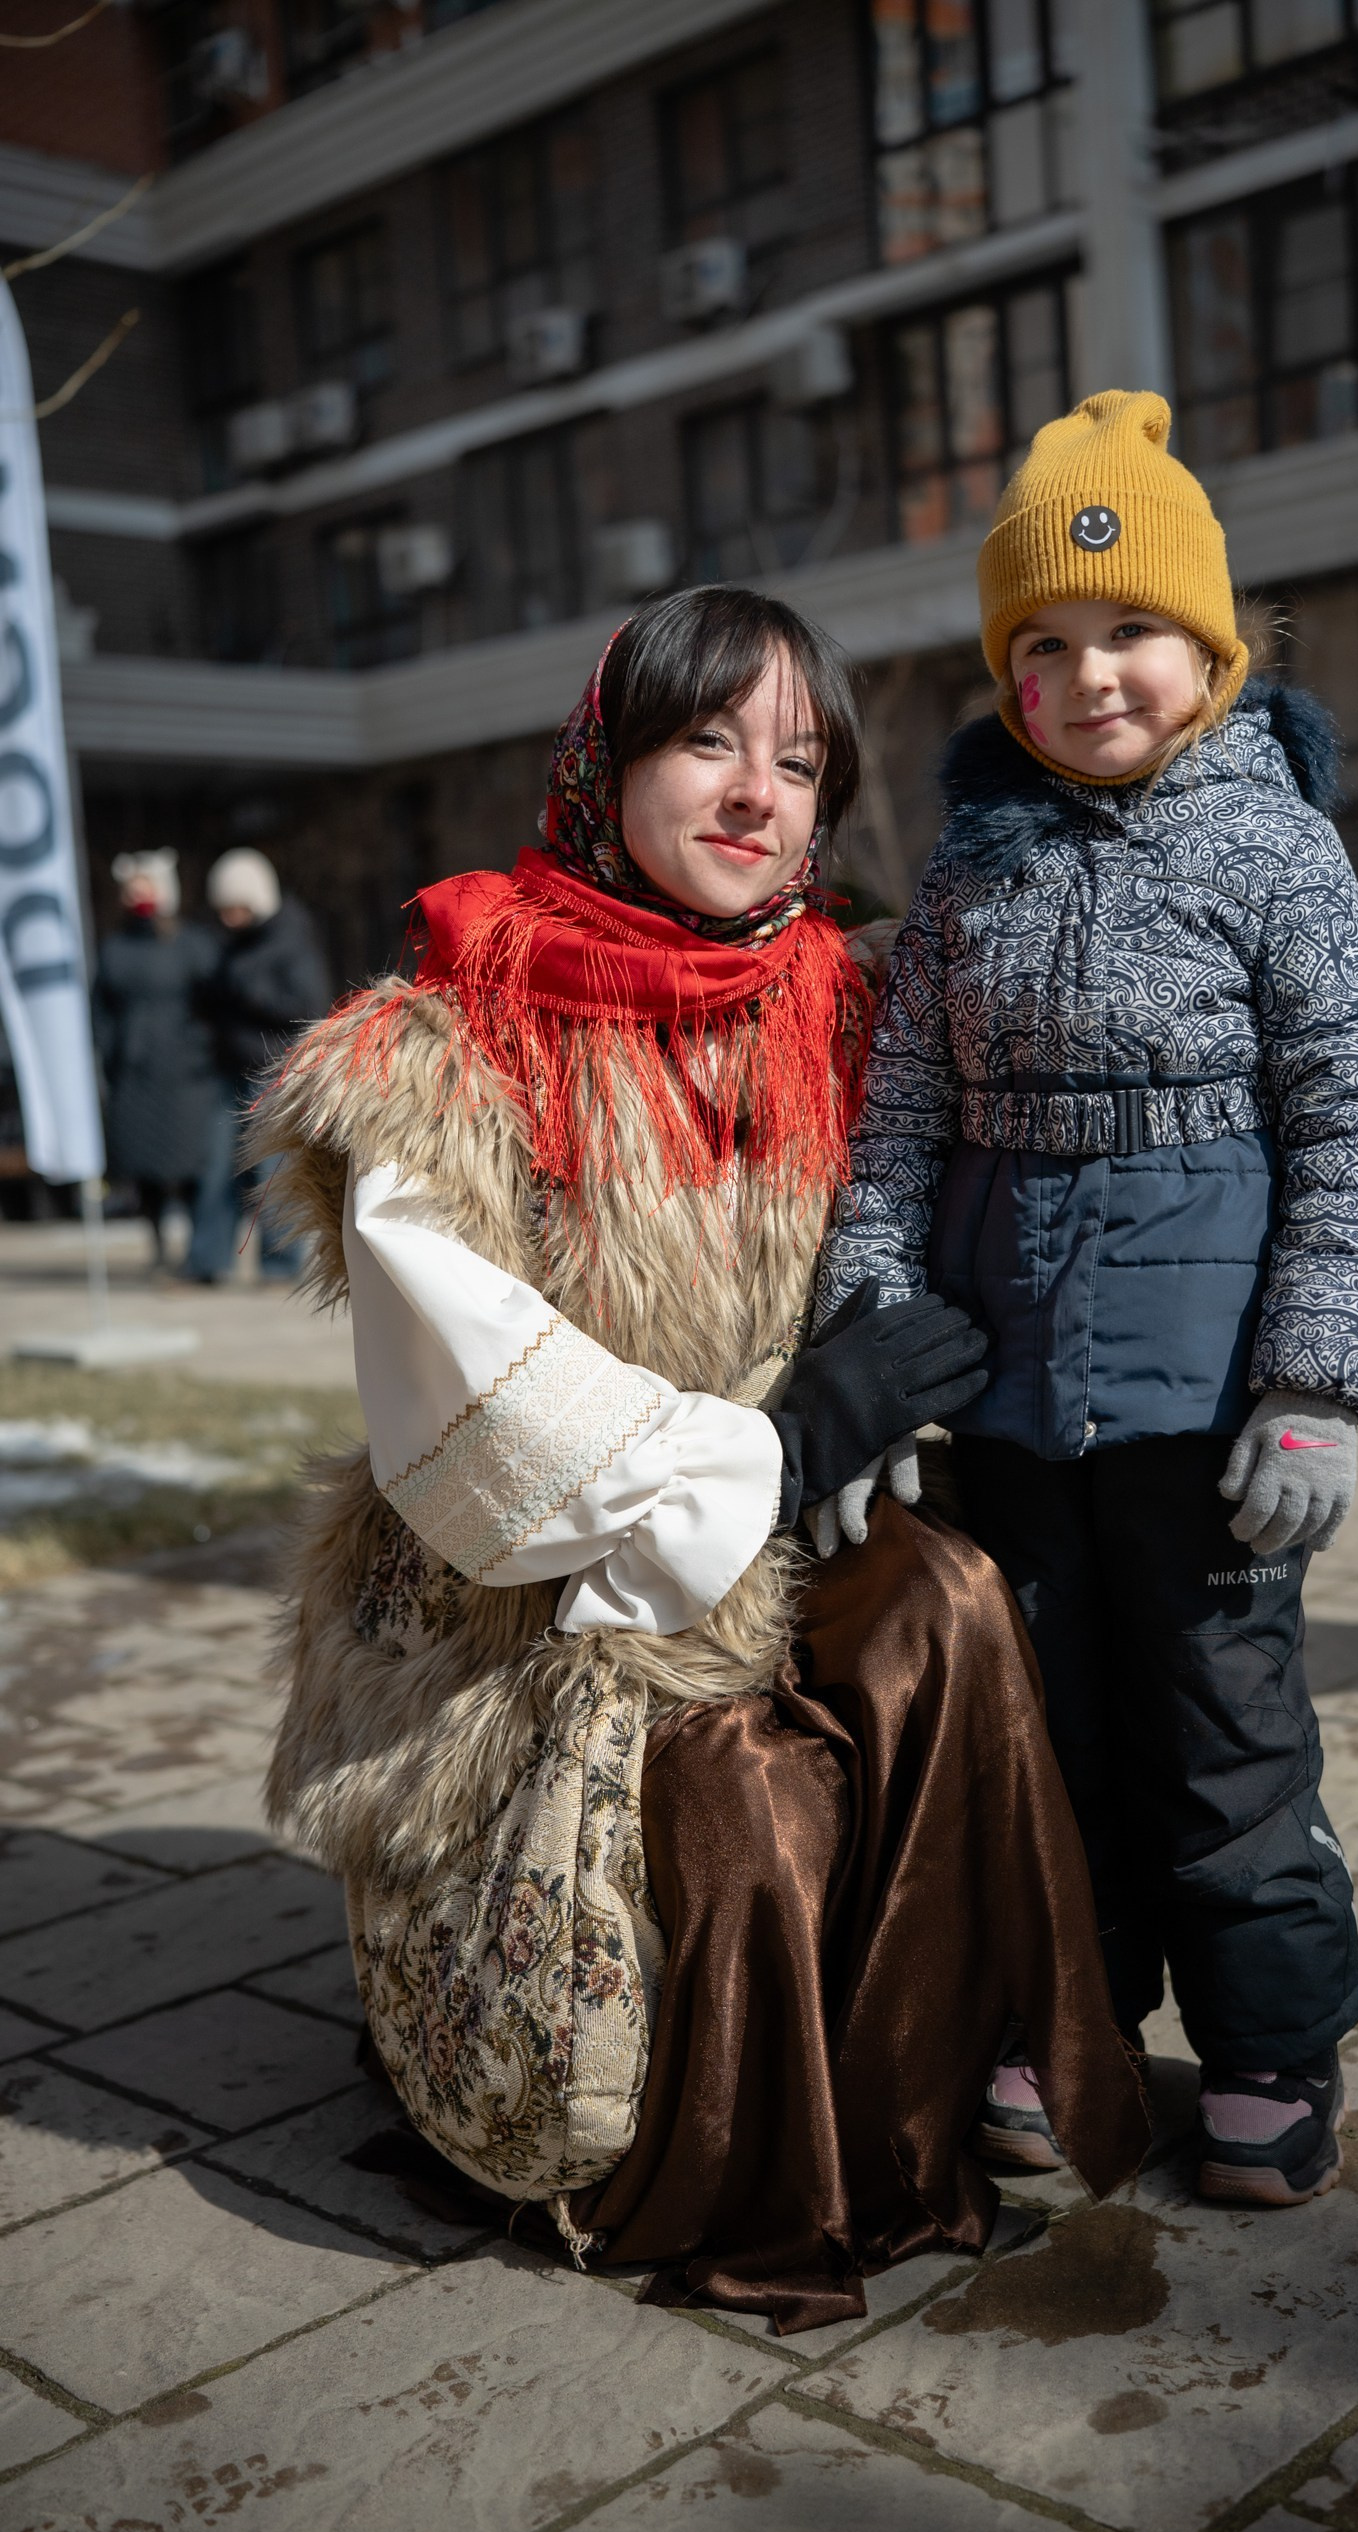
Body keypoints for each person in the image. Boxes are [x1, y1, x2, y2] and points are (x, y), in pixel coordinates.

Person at [252, 586, 1148, 2332]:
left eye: (799, 764)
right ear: (609, 763)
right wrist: (785, 1437)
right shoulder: (446, 1042)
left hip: (802, 1526)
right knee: (745, 1795)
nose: (757, 794)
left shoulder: (854, 1004)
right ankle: (713, 2160)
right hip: (536, 1606)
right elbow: (477, 1402)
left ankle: (949, 2085)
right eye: (707, 741)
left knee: (951, 1606)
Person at [816, 391, 1358, 2209]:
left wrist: (1315, 1384)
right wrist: (869, 1343)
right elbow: (898, 1123)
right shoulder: (968, 869)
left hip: (1208, 1401)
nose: (1089, 677)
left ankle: (1267, 2044)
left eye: (1132, 632)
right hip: (1008, 1395)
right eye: (1046, 643)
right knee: (1049, 1728)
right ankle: (1071, 2017)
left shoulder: (1274, 847)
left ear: (1212, 649)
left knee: (1219, 1726)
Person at [185, 847, 332, 1283]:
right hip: (230, 1071)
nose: (227, 917)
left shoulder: (292, 939)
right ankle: (207, 1263)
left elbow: (308, 1007)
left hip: (274, 1074)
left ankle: (280, 1265)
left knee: (273, 1171)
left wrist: (244, 991)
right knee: (217, 1166)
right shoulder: (231, 945)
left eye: (235, 907)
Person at [91, 850, 219, 1270]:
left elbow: (215, 1002)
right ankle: (158, 1241)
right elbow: (102, 1010)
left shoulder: (193, 944)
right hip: (135, 1072)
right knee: (142, 1165)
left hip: (188, 1073)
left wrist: (204, 1047)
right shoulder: (115, 948)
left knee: (194, 1163)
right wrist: (110, 1054)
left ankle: (200, 1249)